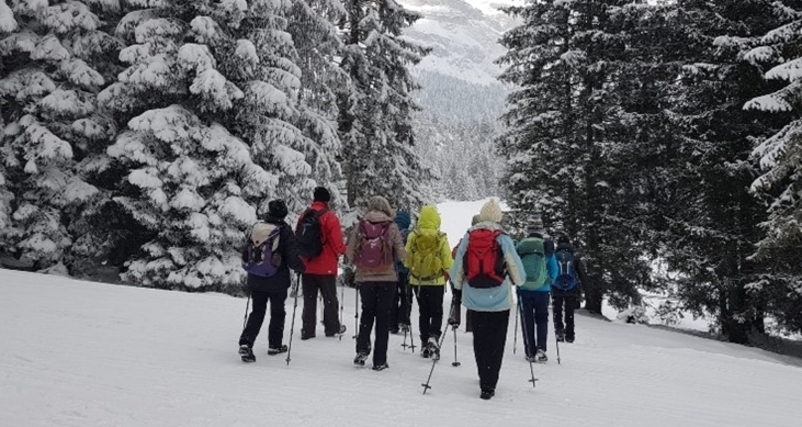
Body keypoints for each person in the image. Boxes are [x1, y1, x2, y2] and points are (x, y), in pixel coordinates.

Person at [450, 199, 526, 400]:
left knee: (480, 340)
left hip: (474, 297)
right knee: (497, 341)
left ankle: (483, 376)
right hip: (499, 298)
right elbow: (517, 271)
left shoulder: (469, 236)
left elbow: (456, 269)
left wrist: (458, 288)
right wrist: (518, 281)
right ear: (498, 217)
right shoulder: (503, 238)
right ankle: (490, 383)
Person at [238, 200, 306, 362]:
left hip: (256, 277)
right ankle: (274, 344)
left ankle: (246, 343)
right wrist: (301, 267)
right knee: (277, 312)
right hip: (277, 280)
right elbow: (291, 256)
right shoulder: (285, 231)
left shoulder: (257, 228)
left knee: (257, 311)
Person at [346, 196, 406, 371]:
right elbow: (402, 254)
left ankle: (362, 349)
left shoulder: (361, 226)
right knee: (383, 317)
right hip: (387, 279)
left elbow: (349, 252)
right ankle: (379, 360)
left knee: (367, 314)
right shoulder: (391, 227)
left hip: (365, 278)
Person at [298, 186, 347, 339]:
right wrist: (345, 251)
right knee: (330, 298)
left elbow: (298, 238)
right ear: (327, 200)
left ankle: (307, 329)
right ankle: (332, 327)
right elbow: (337, 243)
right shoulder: (330, 217)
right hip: (325, 265)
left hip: (307, 264)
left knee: (309, 299)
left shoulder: (304, 215)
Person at [404, 205, 453, 358]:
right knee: (436, 311)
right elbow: (447, 263)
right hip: (436, 281)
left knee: (423, 312)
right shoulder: (441, 237)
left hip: (417, 281)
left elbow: (406, 261)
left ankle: (424, 343)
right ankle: (434, 336)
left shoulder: (413, 236)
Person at [515, 216, 557, 362]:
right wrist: (548, 281)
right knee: (541, 319)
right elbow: (554, 270)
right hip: (543, 290)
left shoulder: (521, 245)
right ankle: (541, 348)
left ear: (528, 229)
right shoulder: (546, 245)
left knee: (527, 320)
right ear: (541, 229)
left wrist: (518, 282)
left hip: (524, 289)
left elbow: (515, 265)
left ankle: (529, 351)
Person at [552, 234, 588, 343]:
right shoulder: (574, 257)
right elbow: (582, 274)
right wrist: (586, 290)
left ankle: (559, 330)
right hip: (571, 288)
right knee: (569, 312)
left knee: (557, 311)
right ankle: (570, 335)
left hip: (556, 287)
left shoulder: (554, 256)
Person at [449, 214, 481, 333]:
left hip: (462, 274)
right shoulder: (487, 238)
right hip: (475, 275)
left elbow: (454, 254)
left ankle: (455, 319)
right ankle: (471, 327)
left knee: (456, 297)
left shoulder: (467, 237)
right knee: (472, 301)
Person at [390, 210, 412, 334]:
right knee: (406, 297)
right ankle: (403, 320)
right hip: (406, 271)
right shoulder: (409, 235)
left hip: (392, 271)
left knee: (393, 297)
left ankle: (392, 324)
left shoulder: (390, 232)